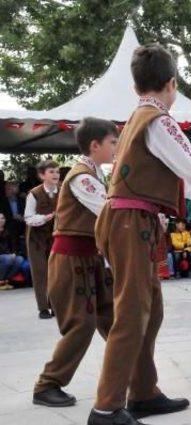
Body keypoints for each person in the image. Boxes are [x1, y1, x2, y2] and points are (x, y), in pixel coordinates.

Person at [88, 43, 191, 425]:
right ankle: (106, 407)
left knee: (151, 310)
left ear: (135, 86)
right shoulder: (158, 119)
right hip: (131, 221)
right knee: (132, 314)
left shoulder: (139, 116)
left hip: (135, 221)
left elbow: (183, 175)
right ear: (172, 83)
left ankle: (144, 392)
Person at [32, 117, 118, 408]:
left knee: (112, 318)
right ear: (95, 146)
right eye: (113, 142)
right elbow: (109, 211)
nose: (116, 147)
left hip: (90, 258)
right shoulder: (82, 176)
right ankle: (47, 384)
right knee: (81, 323)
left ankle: (134, 375)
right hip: (71, 260)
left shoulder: (93, 172)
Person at [25, 159, 60, 319]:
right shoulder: (34, 194)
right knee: (40, 272)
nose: (56, 175)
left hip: (55, 236)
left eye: (57, 172)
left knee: (56, 271)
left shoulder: (63, 191)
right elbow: (28, 218)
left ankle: (54, 305)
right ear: (42, 175)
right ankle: (43, 308)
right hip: (36, 238)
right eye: (51, 172)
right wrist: (46, 218)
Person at [0, 212, 23, 290]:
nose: (1, 220)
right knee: (8, 259)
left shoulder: (8, 231)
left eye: (3, 218)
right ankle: (1, 280)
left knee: (20, 259)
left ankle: (5, 280)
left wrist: (14, 253)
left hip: (9, 255)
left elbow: (14, 245)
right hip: (2, 256)